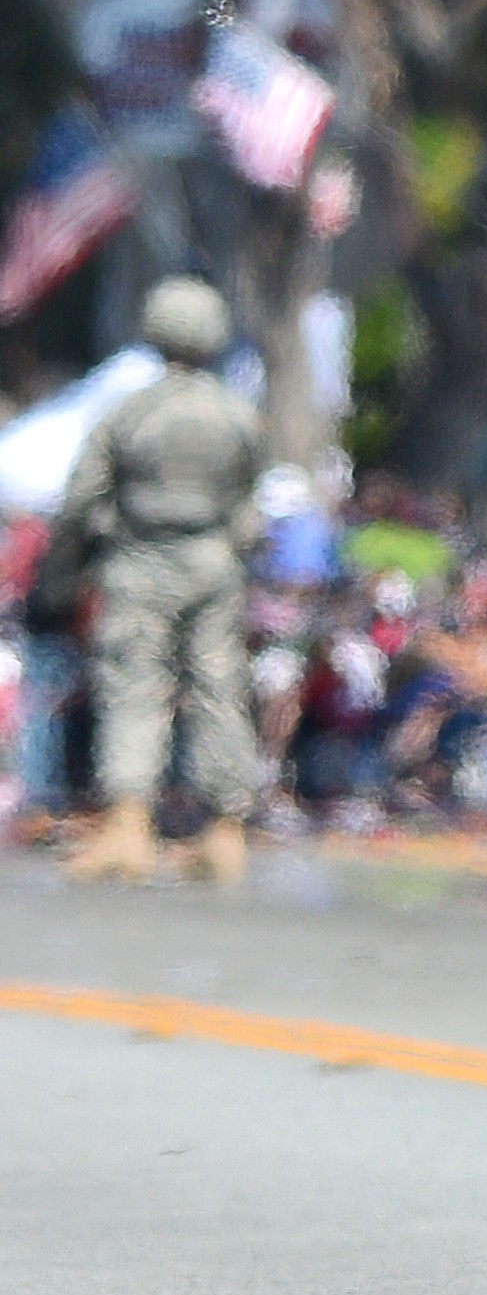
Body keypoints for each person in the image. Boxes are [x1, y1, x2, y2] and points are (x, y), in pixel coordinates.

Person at [54, 277, 267, 886]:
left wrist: (65, 572)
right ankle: (226, 831)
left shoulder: (131, 412)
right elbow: (251, 503)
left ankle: (128, 826)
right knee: (219, 686)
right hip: (215, 565)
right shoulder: (237, 414)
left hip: (141, 562)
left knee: (134, 686)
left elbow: (78, 499)